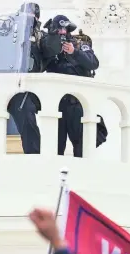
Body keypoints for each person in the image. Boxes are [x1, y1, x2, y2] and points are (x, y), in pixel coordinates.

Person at [0, 2, 42, 155]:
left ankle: (35, 161)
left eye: (33, 17)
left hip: (18, 85)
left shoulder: (36, 35)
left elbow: (42, 55)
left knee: (28, 123)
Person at [41, 15, 107, 157]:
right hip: (56, 104)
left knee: (82, 148)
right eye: (58, 30)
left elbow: (93, 63)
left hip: (77, 104)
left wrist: (74, 52)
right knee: (54, 148)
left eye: (64, 30)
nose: (62, 33)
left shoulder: (78, 43)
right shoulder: (47, 45)